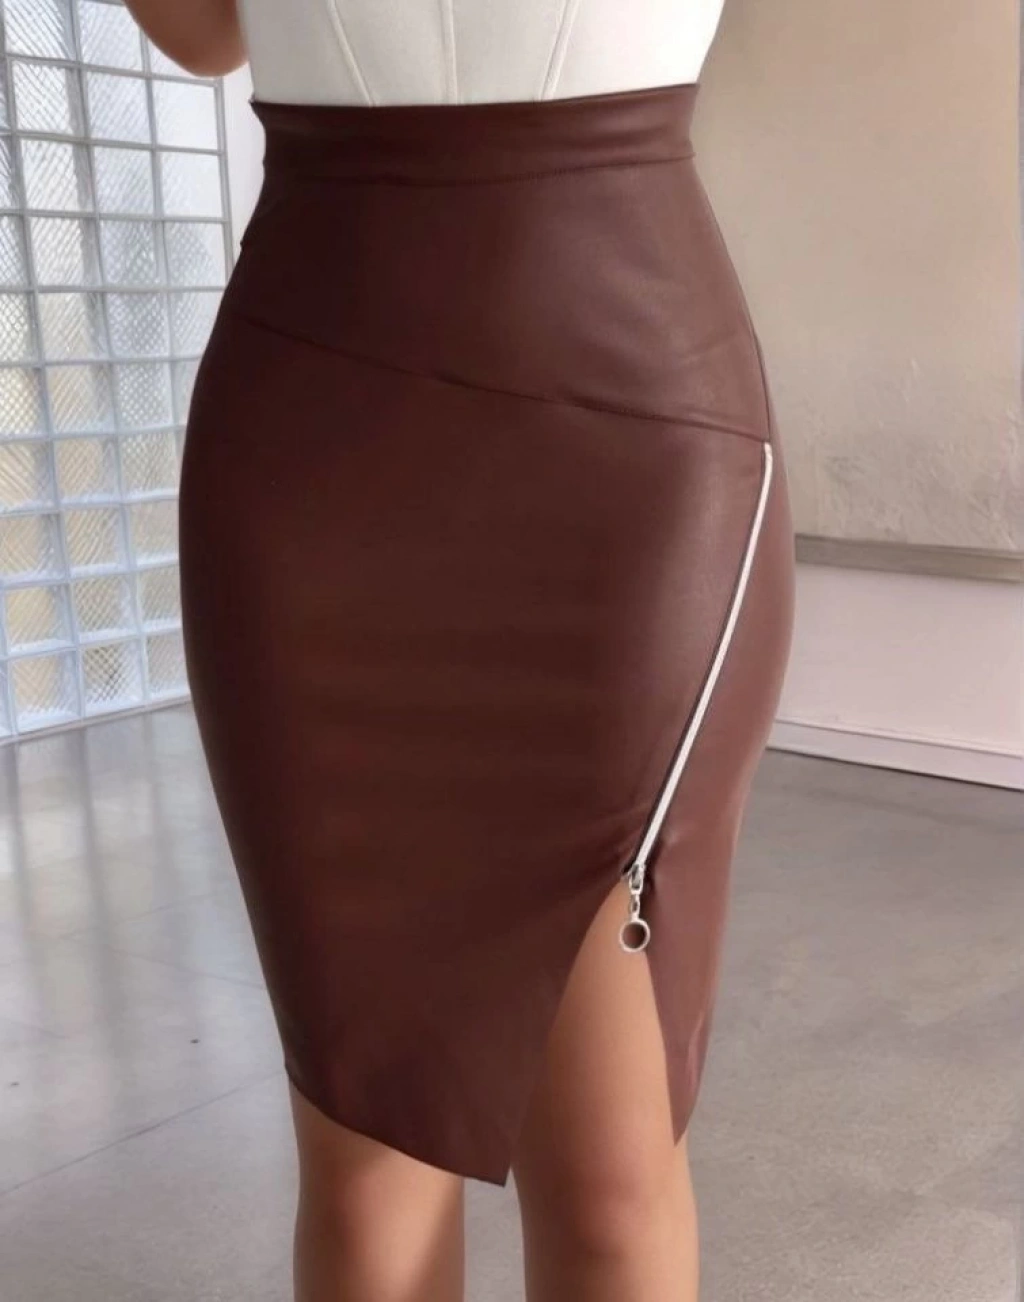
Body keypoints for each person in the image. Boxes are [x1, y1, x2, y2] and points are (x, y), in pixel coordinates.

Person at [128, 2, 796, 1298]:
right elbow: (205, 31)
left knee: (609, 1173)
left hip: (625, 437)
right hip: (314, 446)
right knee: (369, 1160)